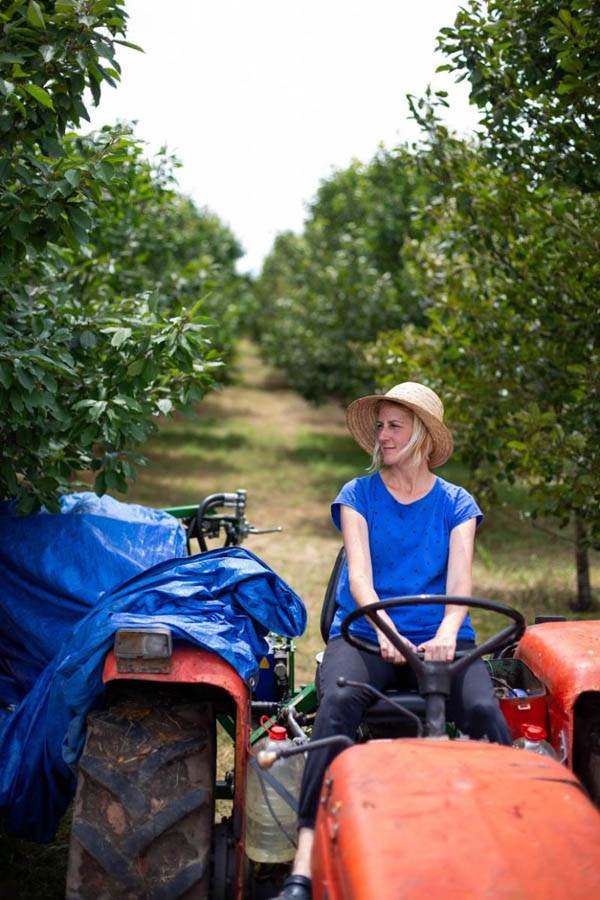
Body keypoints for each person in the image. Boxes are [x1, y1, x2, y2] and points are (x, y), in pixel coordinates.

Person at [276, 382, 511, 900]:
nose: (383, 436)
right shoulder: (358, 495)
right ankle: (304, 862)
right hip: (367, 634)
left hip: (442, 641)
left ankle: (508, 841)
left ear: (422, 436)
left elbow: (460, 582)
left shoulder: (456, 503)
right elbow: (360, 580)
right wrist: (386, 630)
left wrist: (449, 632)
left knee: (483, 709)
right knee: (336, 704)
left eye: (394, 426)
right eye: (380, 425)